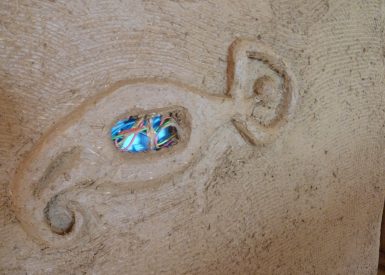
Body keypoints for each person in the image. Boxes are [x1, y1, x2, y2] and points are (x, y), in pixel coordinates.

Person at [0, 0, 384, 273]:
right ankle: (45, 198)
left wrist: (270, 99)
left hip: (188, 135)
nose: (262, 92)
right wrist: (271, 68)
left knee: (98, 164)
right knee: (98, 141)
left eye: (266, 93)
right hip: (180, 116)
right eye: (265, 88)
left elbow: (266, 133)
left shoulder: (248, 118)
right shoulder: (238, 85)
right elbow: (249, 50)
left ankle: (50, 201)